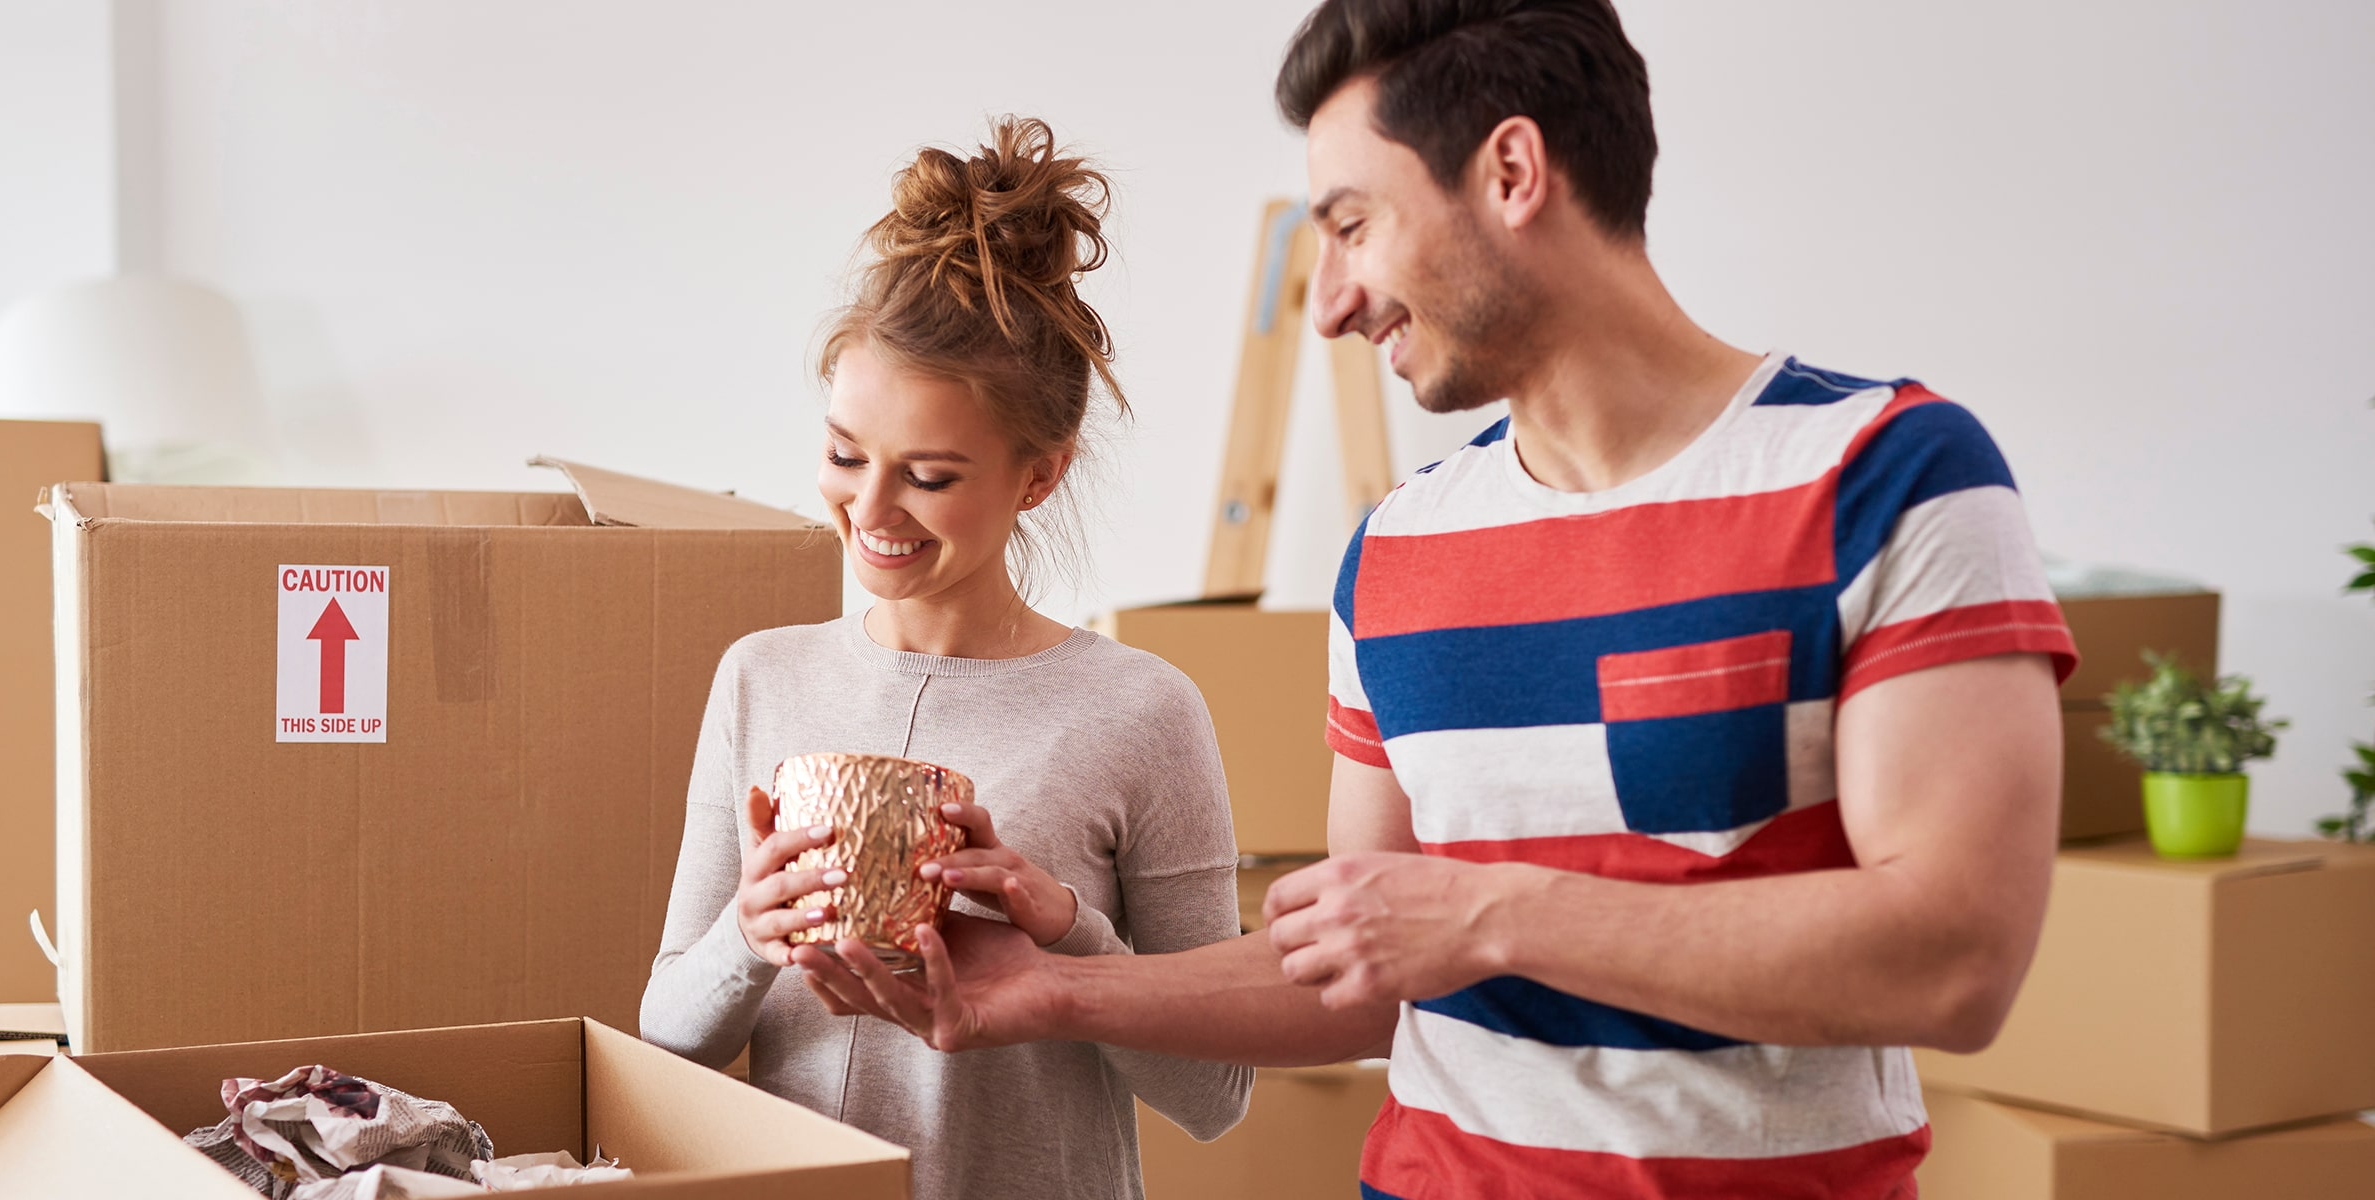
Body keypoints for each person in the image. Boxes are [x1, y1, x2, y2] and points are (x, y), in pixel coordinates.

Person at [794, 3, 2080, 1197]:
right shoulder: (1398, 551)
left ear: (1510, 174)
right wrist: (1047, 990)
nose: (1335, 299)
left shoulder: (1891, 476)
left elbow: (1954, 958)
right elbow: (1355, 982)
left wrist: (1490, 912)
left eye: (1352, 225)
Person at [635, 116, 1252, 1200]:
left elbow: (1218, 1094)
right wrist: (749, 932)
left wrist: (1065, 936)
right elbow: (665, 1042)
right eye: (842, 455)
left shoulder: (1141, 710)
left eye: (926, 476)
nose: (868, 509)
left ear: (1037, 478)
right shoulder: (759, 677)